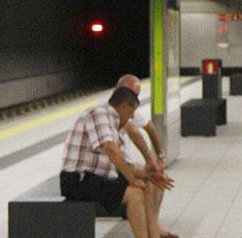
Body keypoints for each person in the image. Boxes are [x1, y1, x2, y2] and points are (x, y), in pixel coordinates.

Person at [60, 87, 174, 238]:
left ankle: (154, 234)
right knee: (135, 194)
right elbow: (111, 149)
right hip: (78, 180)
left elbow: (123, 164)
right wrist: (132, 180)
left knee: (149, 184)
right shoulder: (99, 114)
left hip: (96, 178)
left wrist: (150, 175)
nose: (131, 117)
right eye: (131, 112)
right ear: (123, 106)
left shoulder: (113, 125)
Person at [116, 74, 177, 238]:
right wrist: (151, 161)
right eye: (133, 94)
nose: (135, 100)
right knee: (151, 180)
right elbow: (134, 132)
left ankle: (154, 226)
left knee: (159, 176)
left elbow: (149, 127)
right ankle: (152, 232)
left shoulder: (130, 108)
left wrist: (161, 155)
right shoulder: (115, 109)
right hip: (115, 167)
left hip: (125, 163)